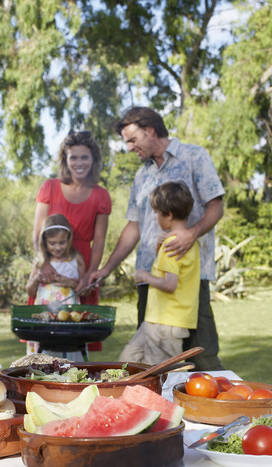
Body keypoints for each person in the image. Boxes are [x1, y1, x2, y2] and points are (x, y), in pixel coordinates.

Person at [88, 106, 225, 371]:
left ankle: (219, 411)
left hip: (187, 281)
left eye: (132, 139)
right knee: (148, 366)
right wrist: (106, 268)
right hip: (151, 282)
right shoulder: (142, 176)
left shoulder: (195, 156)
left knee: (202, 358)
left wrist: (190, 234)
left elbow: (216, 206)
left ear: (150, 130)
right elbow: (133, 227)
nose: (129, 147)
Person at [119, 181, 199, 364]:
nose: (155, 217)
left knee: (160, 376)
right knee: (128, 360)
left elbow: (170, 284)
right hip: (156, 320)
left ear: (169, 215)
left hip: (166, 324)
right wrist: (158, 246)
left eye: (156, 212)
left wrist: (144, 276)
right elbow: (166, 268)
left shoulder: (173, 244)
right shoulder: (183, 241)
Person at [32, 131, 111, 306]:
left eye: (84, 157)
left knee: (79, 323)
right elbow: (38, 232)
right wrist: (43, 262)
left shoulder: (101, 195)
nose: (79, 163)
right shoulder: (49, 187)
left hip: (81, 267)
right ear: (65, 160)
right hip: (49, 263)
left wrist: (89, 275)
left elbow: (98, 242)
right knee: (43, 322)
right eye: (73, 158)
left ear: (93, 159)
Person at [26, 214, 86, 307]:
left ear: (68, 239)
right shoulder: (40, 262)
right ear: (45, 241)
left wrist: (71, 284)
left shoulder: (76, 259)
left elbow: (86, 291)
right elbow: (30, 293)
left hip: (68, 315)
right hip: (44, 315)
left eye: (62, 242)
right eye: (52, 243)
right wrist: (36, 279)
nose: (57, 248)